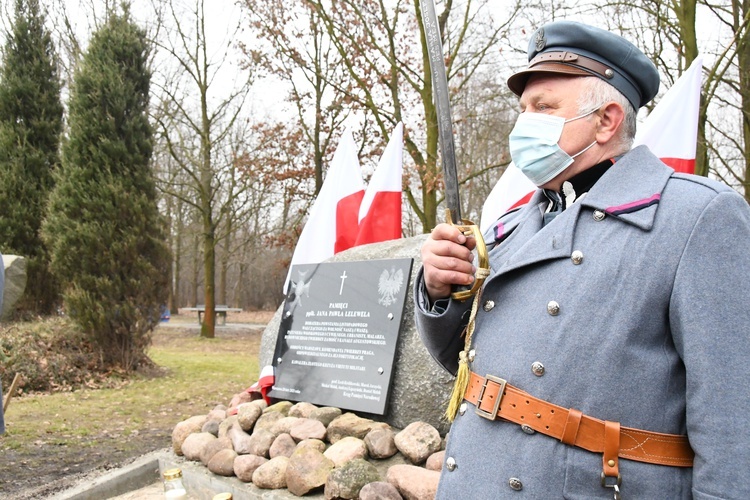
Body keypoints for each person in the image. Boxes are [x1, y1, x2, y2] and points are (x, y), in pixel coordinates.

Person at [415, 20, 750, 498]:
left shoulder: (698, 217)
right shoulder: (510, 226)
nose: (523, 123)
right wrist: (439, 290)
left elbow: (734, 419)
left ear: (607, 119)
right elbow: (465, 365)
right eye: (523, 109)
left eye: (543, 108)